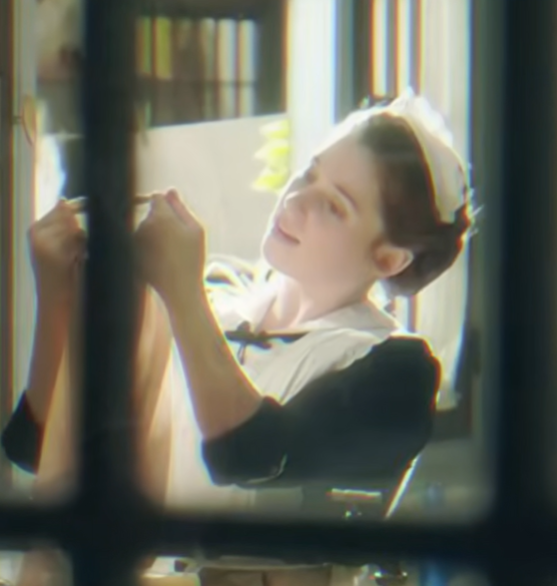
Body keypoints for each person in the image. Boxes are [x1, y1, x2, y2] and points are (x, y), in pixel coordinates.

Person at [2, 89, 471, 585]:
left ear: (389, 258)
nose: (297, 199)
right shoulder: (217, 299)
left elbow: (252, 455)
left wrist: (184, 297)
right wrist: (57, 293)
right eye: (308, 173)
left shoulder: (395, 369)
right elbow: (38, 448)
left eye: (334, 206)